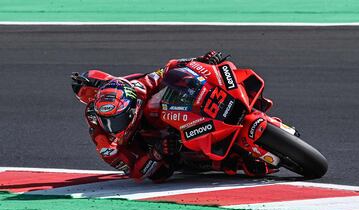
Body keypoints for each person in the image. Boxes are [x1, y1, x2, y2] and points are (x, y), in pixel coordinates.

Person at [71, 51, 274, 182]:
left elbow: (167, 69)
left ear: (132, 107)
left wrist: (201, 61)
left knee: (189, 79)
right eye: (107, 121)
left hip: (171, 112)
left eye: (117, 119)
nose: (112, 125)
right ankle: (232, 159)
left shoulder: (139, 88)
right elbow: (136, 171)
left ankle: (236, 99)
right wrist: (157, 154)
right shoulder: (106, 142)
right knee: (165, 171)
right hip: (162, 148)